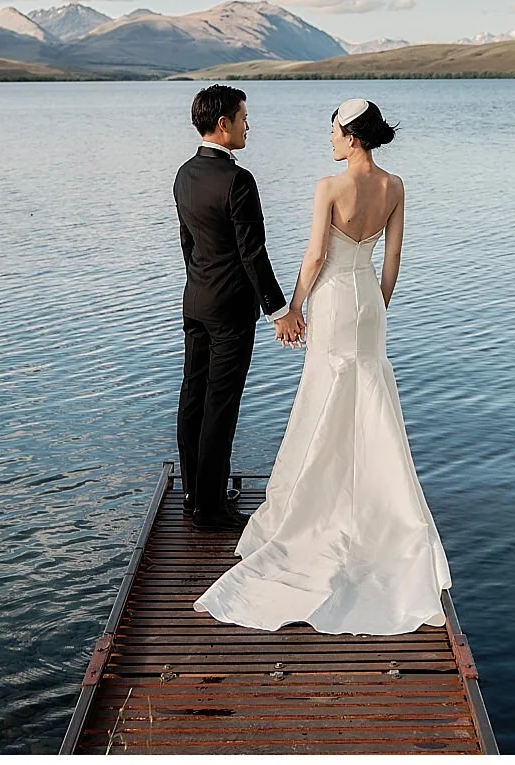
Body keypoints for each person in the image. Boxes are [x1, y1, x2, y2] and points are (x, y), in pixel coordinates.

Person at [195, 97, 452, 636]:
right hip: (368, 301)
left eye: (334, 130)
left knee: (324, 394)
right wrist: (378, 304)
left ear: (351, 136)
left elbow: (315, 256)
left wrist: (293, 306)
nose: (330, 138)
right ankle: (378, 509)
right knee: (369, 397)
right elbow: (393, 259)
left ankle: (319, 505)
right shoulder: (395, 186)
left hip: (332, 299)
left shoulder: (329, 188)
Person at [172, 85, 293, 532]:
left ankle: (192, 494)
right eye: (243, 118)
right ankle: (211, 508)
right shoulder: (238, 181)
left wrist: (201, 284)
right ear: (223, 124)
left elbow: (189, 244)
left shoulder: (184, 174)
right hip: (229, 310)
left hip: (195, 300)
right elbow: (252, 254)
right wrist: (278, 311)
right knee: (220, 405)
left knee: (193, 396)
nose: (247, 126)